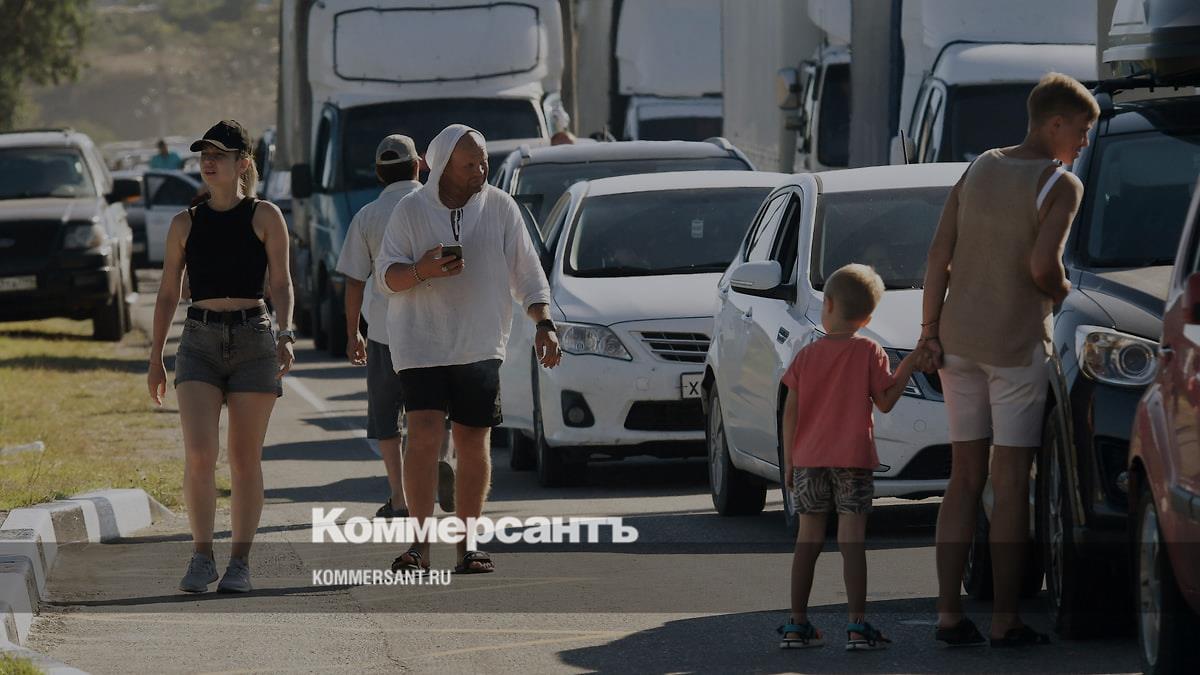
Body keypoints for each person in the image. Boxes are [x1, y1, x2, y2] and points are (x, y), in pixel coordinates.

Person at [920, 73, 1097, 647]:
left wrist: (928, 332)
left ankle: (949, 615)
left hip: (958, 341)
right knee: (1012, 480)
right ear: (1055, 123)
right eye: (1082, 130)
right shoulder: (1061, 184)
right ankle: (1004, 619)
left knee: (964, 478)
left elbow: (938, 255)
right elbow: (1043, 267)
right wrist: (1065, 293)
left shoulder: (977, 168)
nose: (1084, 142)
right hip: (1016, 345)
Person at [376, 124, 559, 574]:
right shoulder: (410, 210)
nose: (479, 171)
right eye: (469, 165)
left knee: (473, 439)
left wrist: (544, 324)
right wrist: (422, 270)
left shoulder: (500, 207)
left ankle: (468, 545)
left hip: (479, 343)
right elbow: (386, 278)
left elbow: (528, 273)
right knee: (423, 435)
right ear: (442, 167)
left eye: (483, 163)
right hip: (420, 342)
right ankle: (418, 546)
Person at [147, 119, 295, 594]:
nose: (208, 162)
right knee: (199, 453)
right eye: (204, 155)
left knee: (244, 458)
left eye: (219, 155)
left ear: (243, 163)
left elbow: (281, 282)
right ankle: (201, 555)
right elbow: (167, 294)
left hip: (254, 339)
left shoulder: (265, 215)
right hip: (199, 341)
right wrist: (155, 357)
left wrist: (286, 333)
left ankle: (239, 563)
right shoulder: (185, 223)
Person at [777, 264, 923, 651]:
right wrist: (909, 364)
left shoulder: (806, 356)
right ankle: (857, 627)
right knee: (852, 540)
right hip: (853, 460)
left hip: (809, 459)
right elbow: (886, 402)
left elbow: (790, 411)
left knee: (808, 538)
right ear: (868, 318)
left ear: (827, 304)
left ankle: (796, 624)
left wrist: (790, 461)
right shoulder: (869, 351)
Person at [335, 134, 428, 519]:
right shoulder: (437, 208)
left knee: (387, 419)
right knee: (434, 412)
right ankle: (438, 469)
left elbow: (354, 281)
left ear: (378, 173)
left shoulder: (367, 216)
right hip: (436, 335)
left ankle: (400, 496)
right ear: (418, 165)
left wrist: (352, 333)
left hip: (384, 335)